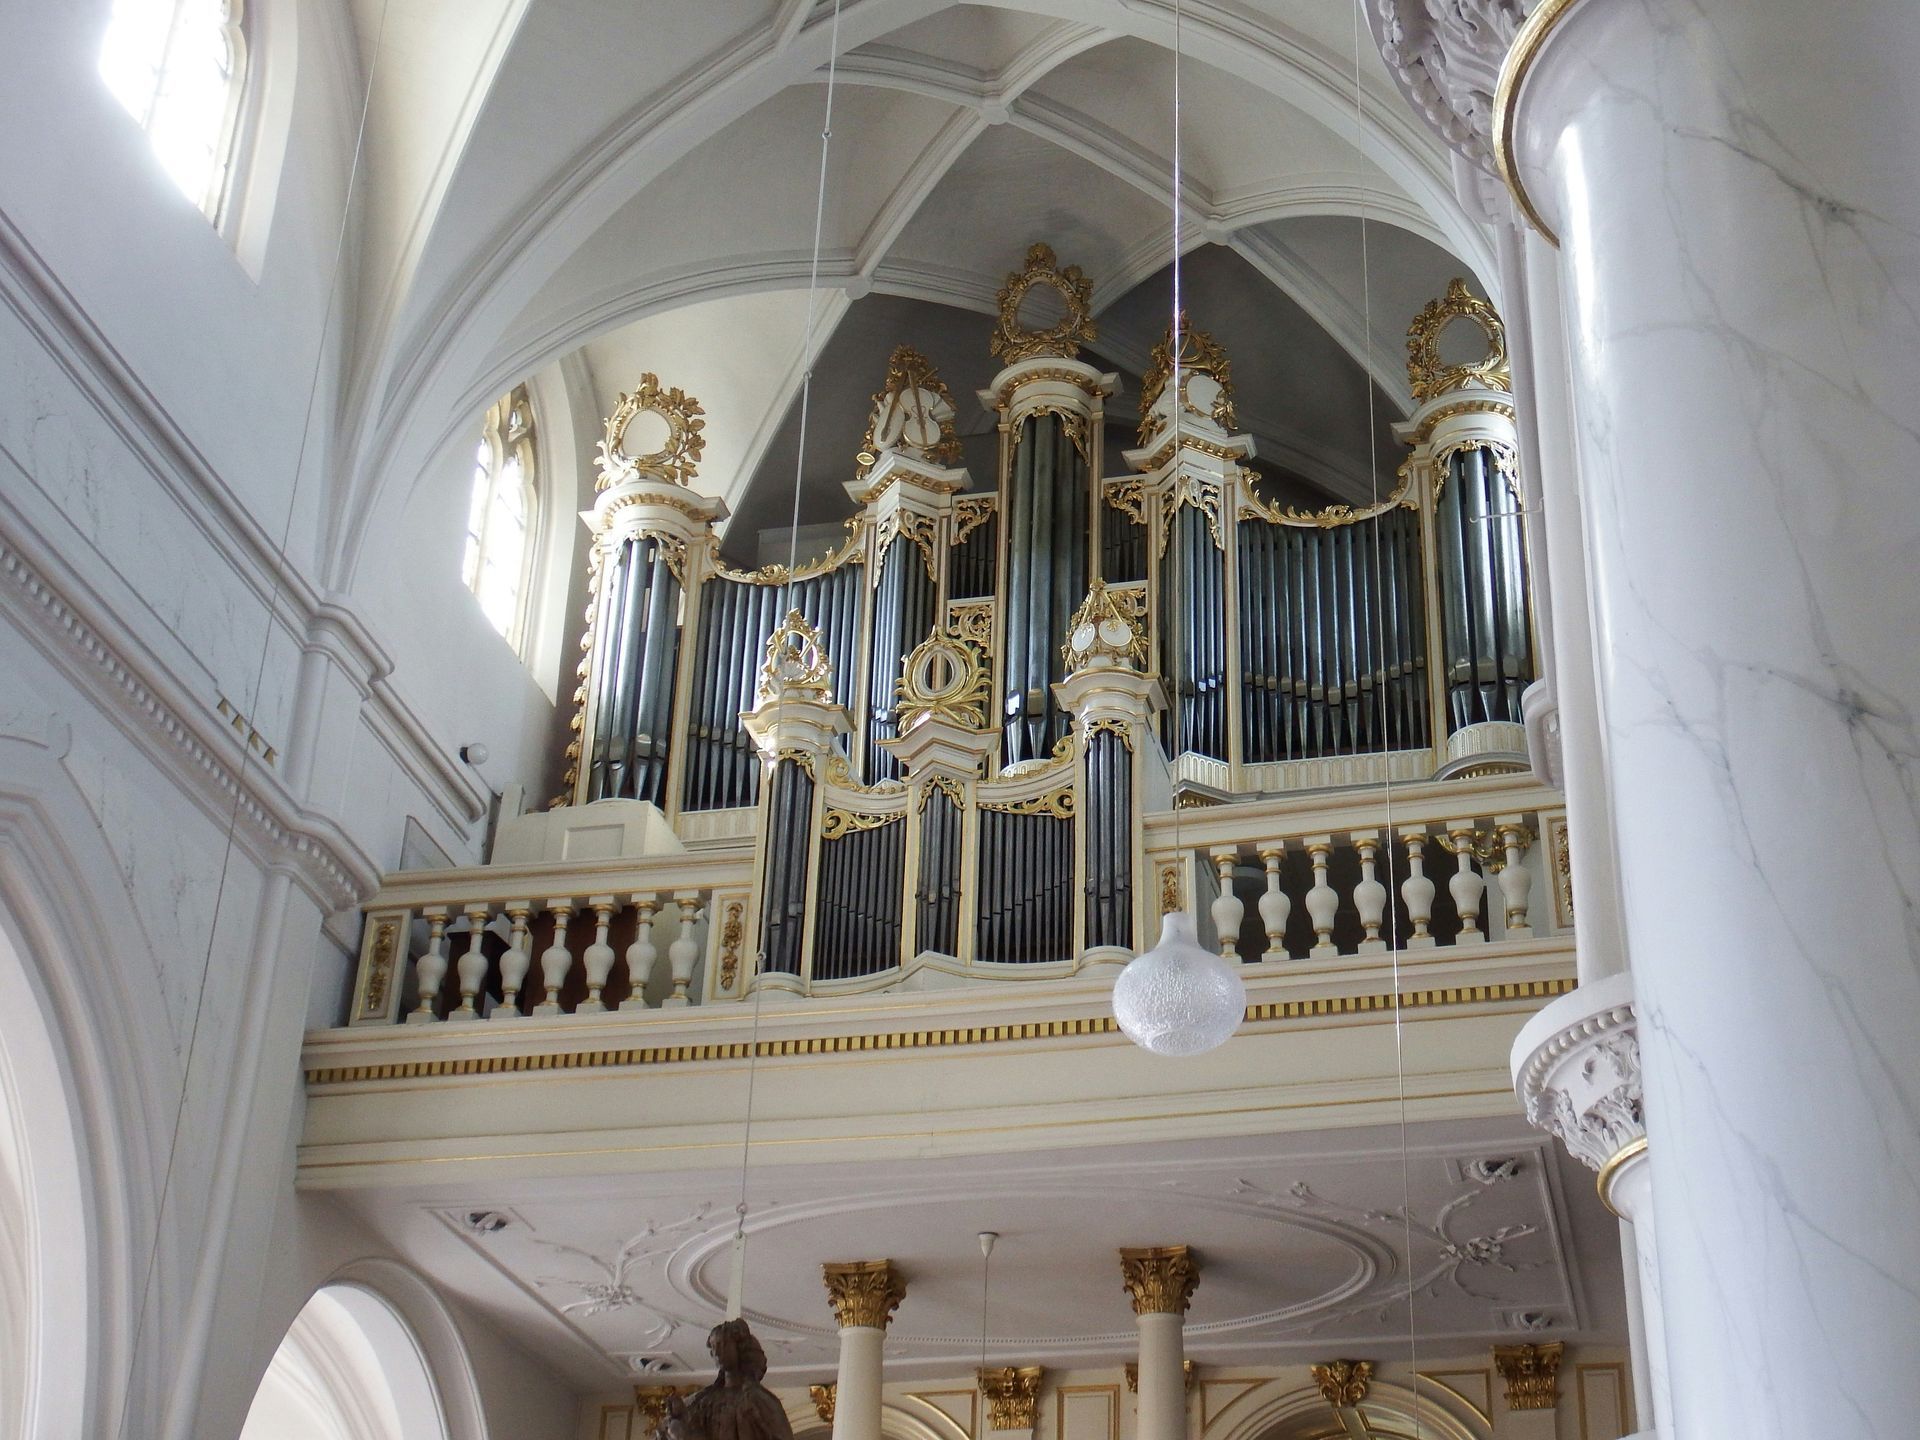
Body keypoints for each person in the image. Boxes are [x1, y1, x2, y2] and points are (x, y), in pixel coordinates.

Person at [675, 1318, 795, 1440]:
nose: (716, 1352)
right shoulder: (706, 1400)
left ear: (740, 1347)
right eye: (714, 1346)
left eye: (723, 1344)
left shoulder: (759, 1399)